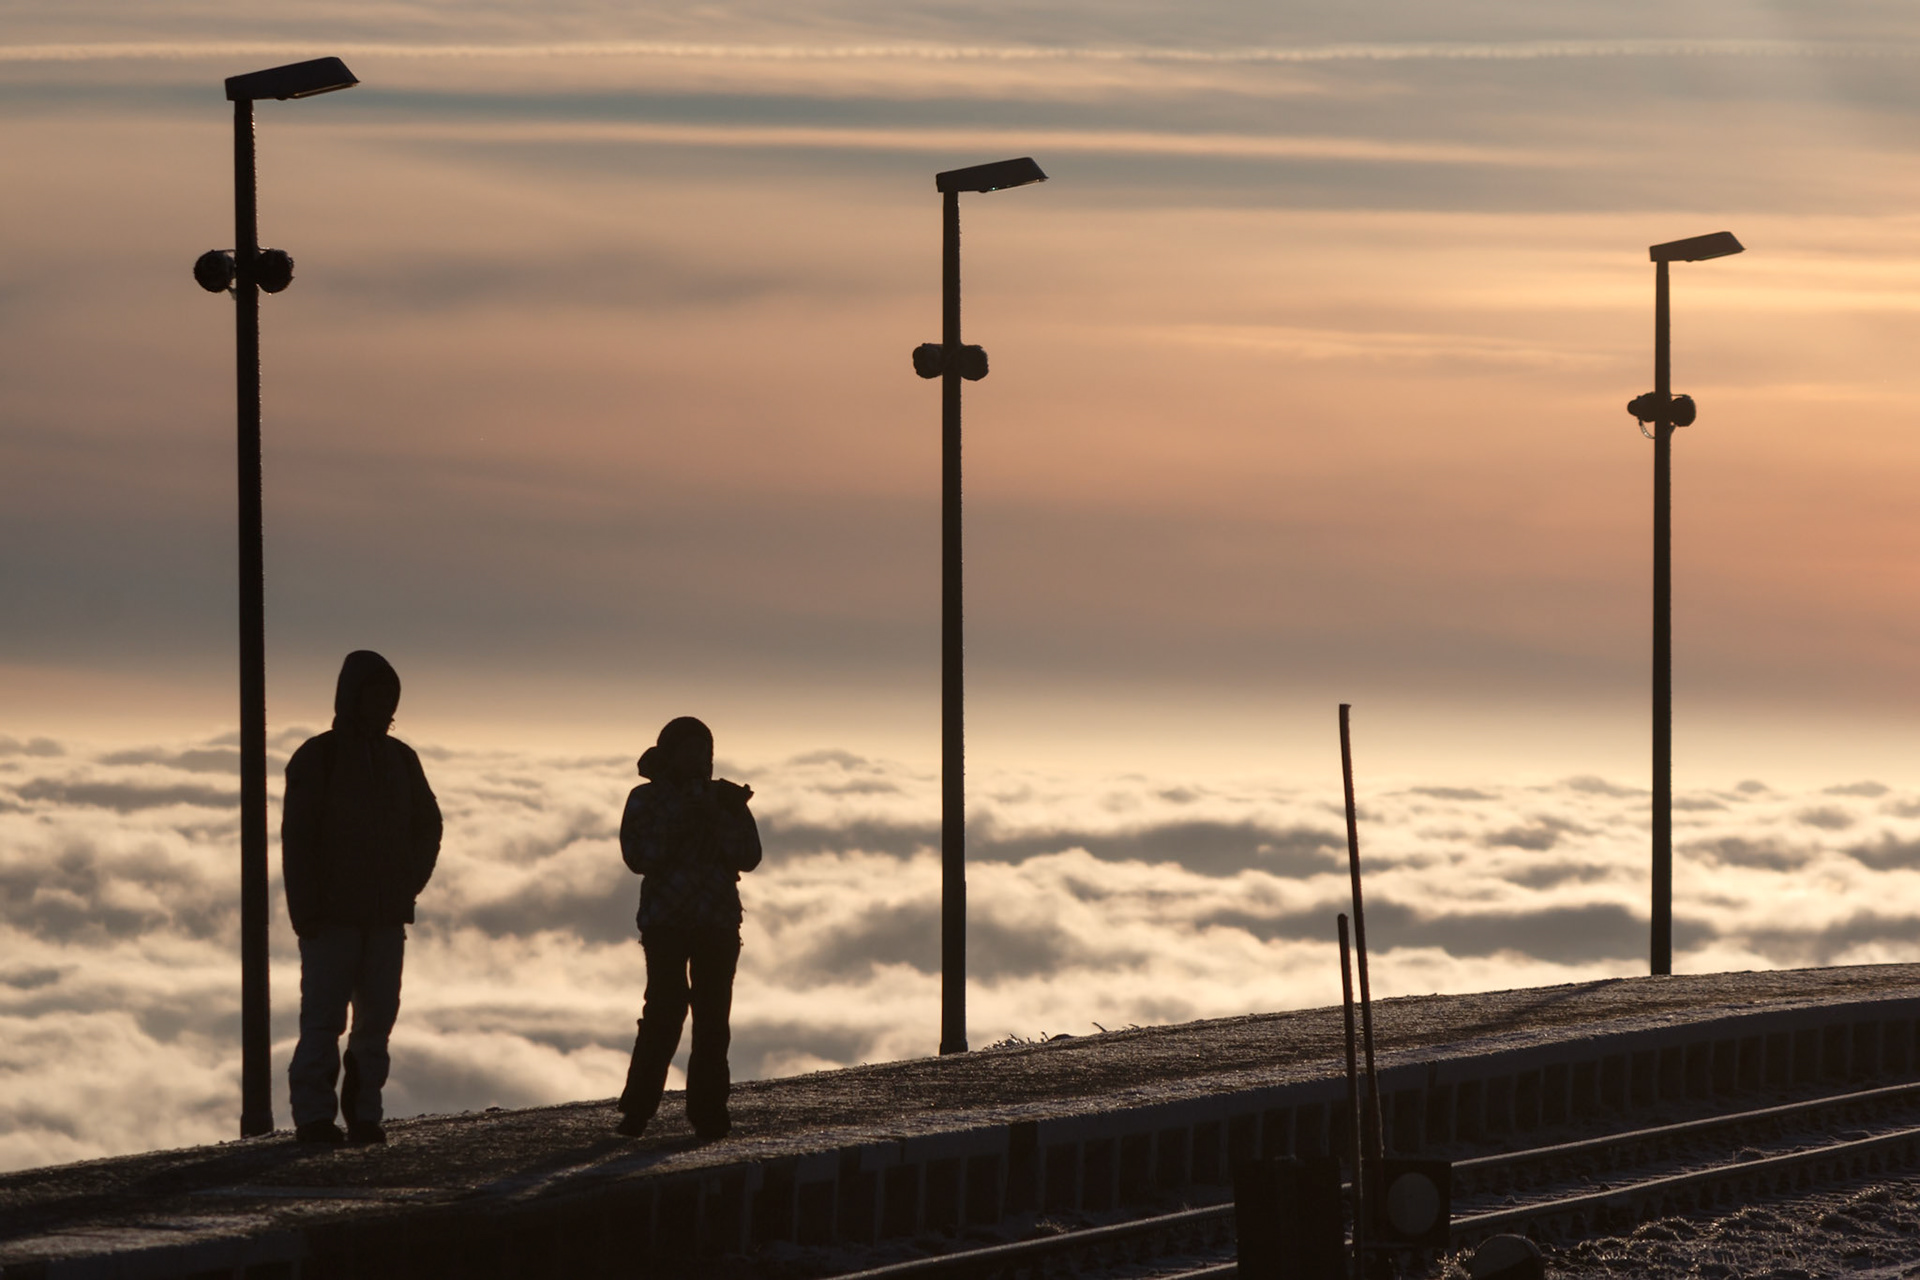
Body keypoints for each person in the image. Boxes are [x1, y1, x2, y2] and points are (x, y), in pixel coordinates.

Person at [281, 650, 442, 1145]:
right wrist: (305, 909)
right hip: (330, 917)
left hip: (385, 917)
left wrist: (406, 883)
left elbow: (428, 824)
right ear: (351, 698)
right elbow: (299, 839)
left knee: (376, 1022)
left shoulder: (400, 759)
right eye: (373, 695)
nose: (381, 704)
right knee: (323, 1019)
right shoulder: (319, 756)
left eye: (388, 696)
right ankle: (313, 1119)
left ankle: (365, 1115)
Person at [616, 716, 761, 1140]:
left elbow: (749, 856)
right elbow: (637, 856)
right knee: (664, 1010)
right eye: (691, 751)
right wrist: (681, 824)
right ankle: (638, 1109)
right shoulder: (644, 799)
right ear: (670, 755)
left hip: (716, 921)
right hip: (667, 920)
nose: (700, 760)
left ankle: (710, 1114)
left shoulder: (725, 800)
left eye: (706, 752)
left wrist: (721, 815)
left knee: (713, 1018)